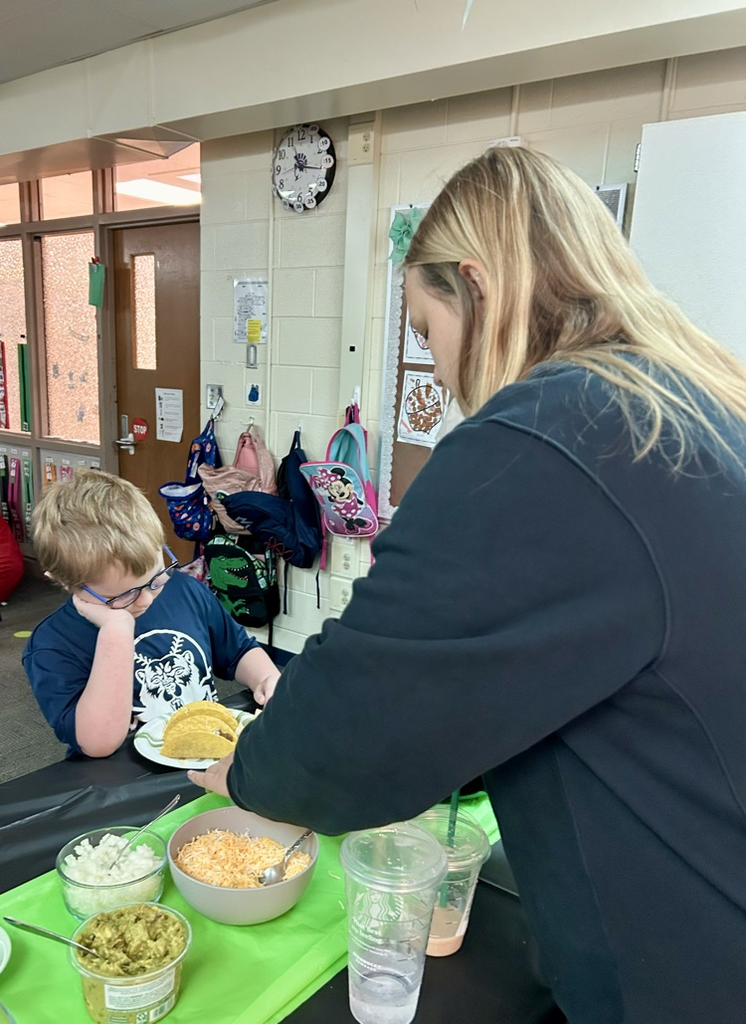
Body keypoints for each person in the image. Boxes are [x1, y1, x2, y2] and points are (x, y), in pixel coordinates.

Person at [190, 146, 746, 1023]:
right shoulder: (682, 402)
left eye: (426, 331)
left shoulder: (551, 434)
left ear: (478, 287)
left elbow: (360, 715)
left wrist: (249, 771)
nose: (442, 374)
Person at [24, 470, 279, 758]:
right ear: (66, 582)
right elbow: (98, 743)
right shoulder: (52, 643)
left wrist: (266, 678)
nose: (145, 599)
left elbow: (238, 650)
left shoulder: (185, 591)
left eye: (156, 578)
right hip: (123, 778)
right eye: (122, 595)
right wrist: (116, 631)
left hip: (204, 758)